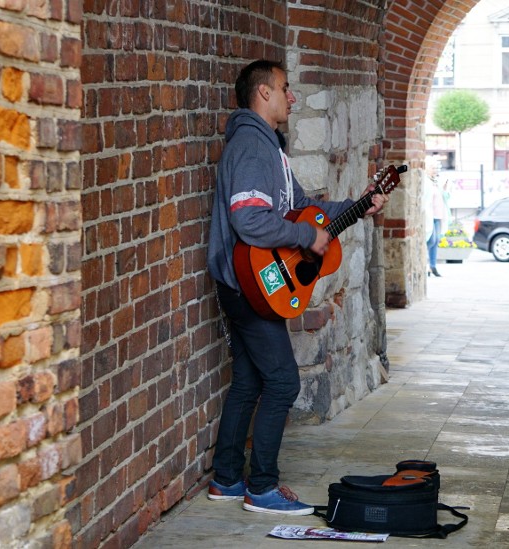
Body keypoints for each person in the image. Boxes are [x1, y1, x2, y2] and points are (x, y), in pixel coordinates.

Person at [206, 60, 388, 514]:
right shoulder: (252, 146)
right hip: (251, 283)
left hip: (248, 283)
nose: (292, 97)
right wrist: (307, 237)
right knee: (284, 383)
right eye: (285, 88)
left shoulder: (270, 148)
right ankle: (262, 488)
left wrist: (359, 205)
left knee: (249, 382)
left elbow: (303, 208)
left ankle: (227, 480)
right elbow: (248, 219)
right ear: (263, 93)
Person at [424, 157, 449, 277]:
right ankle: (425, 264)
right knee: (430, 240)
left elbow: (444, 197)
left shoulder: (437, 181)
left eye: (436, 168)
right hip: (430, 215)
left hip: (438, 215)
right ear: (427, 168)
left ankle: (433, 266)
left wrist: (445, 189)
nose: (435, 170)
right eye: (432, 168)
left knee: (436, 241)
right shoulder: (425, 181)